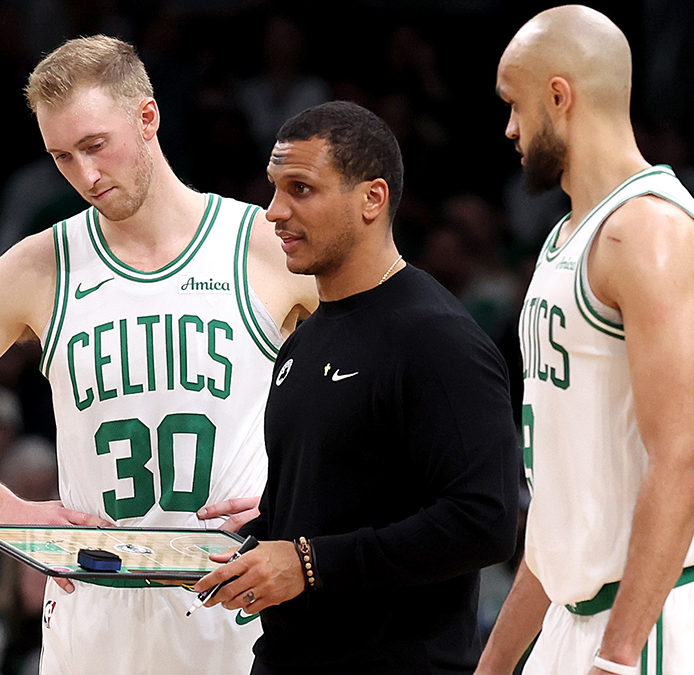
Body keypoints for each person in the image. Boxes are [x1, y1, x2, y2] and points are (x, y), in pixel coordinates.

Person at [0, 35, 319, 675]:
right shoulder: (41, 264)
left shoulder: (265, 246)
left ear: (147, 117)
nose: (84, 175)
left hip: (238, 607)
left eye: (95, 145)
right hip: (94, 613)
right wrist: (6, 511)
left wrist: (307, 503)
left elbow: (391, 392)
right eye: (62, 156)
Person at [477, 6, 694, 675]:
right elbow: (564, 505)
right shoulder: (566, 238)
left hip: (664, 617)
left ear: (559, 96)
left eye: (515, 104)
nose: (510, 128)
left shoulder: (647, 233)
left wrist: (617, 658)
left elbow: (683, 463)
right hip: (580, 615)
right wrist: (494, 664)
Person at [193, 100, 521, 674]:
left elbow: (484, 523)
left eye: (301, 189)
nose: (274, 211)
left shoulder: (437, 338)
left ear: (372, 198)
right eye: (275, 189)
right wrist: (244, 544)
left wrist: (307, 563)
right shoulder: (302, 341)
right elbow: (326, 514)